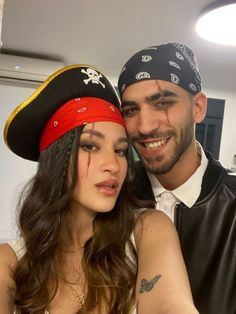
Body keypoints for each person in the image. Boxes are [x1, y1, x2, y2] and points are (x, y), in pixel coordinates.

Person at [0, 64, 199, 314]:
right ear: (58, 160)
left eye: (120, 150)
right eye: (90, 146)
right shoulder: (9, 263)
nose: (113, 165)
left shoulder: (148, 230)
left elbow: (171, 305)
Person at [117, 42, 236, 314]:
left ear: (198, 108)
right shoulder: (113, 198)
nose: (145, 126)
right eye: (131, 110)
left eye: (162, 103)